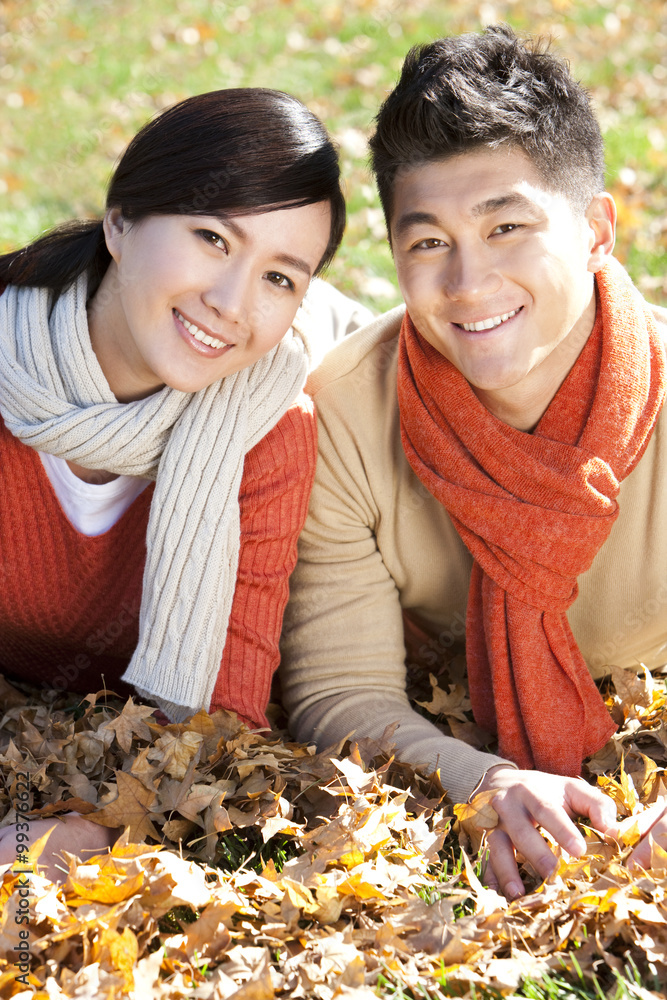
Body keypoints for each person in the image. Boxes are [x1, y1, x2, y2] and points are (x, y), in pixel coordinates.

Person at [279, 25, 667, 900]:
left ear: (598, 228)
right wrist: (479, 781)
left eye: (506, 226)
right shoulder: (341, 409)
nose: (466, 282)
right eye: (427, 243)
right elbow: (340, 693)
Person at [0, 87, 364, 875]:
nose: (230, 303)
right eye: (210, 238)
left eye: (279, 278)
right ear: (121, 220)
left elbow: (221, 717)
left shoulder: (267, 427)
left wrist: (87, 831)